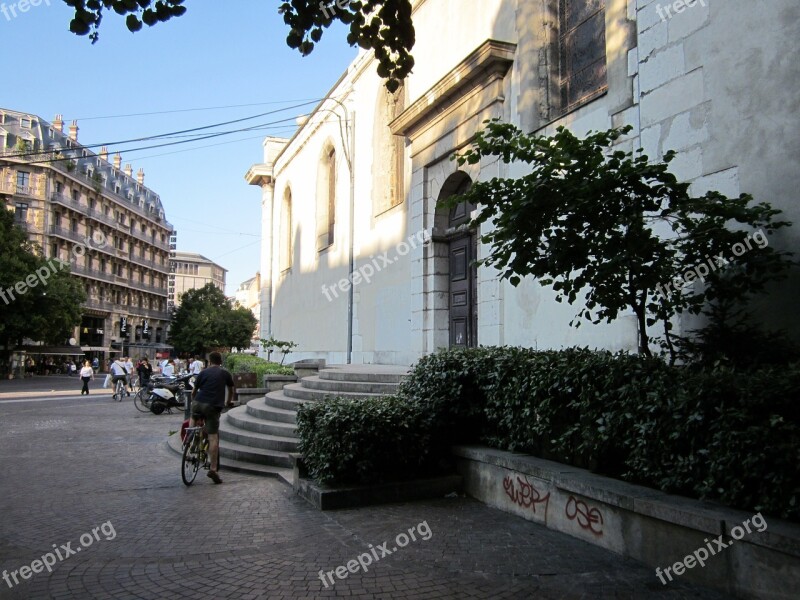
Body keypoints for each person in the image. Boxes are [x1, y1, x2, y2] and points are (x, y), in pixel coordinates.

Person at [190, 351, 235, 484]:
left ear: (209, 361)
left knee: (194, 416)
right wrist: (228, 402)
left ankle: (191, 439)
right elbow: (231, 389)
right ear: (220, 361)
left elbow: (194, 391)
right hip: (213, 406)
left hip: (198, 402)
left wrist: (194, 402)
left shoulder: (203, 372)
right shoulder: (225, 373)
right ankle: (213, 469)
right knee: (213, 436)